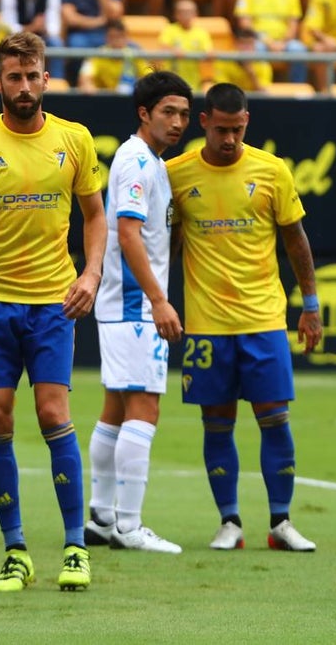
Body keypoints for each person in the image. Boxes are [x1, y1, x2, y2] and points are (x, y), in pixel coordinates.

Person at [0, 31, 106, 592]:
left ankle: (75, 547)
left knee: (52, 413)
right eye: (12, 76)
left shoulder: (75, 139)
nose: (23, 85)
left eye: (31, 74)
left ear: (45, 78)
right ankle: (15, 549)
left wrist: (91, 273)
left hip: (53, 299)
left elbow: (95, 214)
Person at [166, 82, 321, 554]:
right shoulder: (174, 174)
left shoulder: (272, 171)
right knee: (217, 422)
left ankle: (281, 522)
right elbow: (165, 246)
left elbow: (295, 240)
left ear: (246, 123)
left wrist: (310, 306)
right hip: (207, 323)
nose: (229, 140)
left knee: (275, 418)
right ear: (204, 122)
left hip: (264, 318)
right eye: (221, 130)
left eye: (237, 130)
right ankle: (229, 521)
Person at [85, 71, 190, 555]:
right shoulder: (136, 161)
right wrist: (158, 299)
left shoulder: (150, 161)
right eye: (168, 111)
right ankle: (129, 525)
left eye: (184, 114)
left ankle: (102, 516)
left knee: (116, 407)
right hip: (132, 305)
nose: (178, 122)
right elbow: (128, 233)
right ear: (144, 113)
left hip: (124, 304)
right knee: (145, 407)